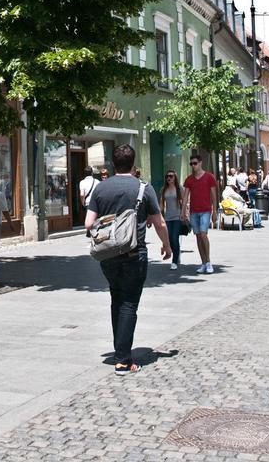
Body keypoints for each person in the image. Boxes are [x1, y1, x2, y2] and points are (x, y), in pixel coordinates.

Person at [85, 144, 170, 375]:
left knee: (116, 299)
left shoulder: (101, 189)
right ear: (133, 164)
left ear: (113, 164)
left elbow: (88, 223)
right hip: (135, 253)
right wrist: (167, 245)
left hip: (109, 254)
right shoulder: (144, 188)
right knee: (129, 304)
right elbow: (160, 222)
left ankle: (119, 350)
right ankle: (123, 360)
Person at [182, 155, 220, 274]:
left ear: (200, 163)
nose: (193, 166)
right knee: (198, 236)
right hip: (194, 211)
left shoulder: (209, 177)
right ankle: (203, 262)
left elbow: (214, 195)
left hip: (206, 210)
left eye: (195, 163)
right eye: (191, 164)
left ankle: (208, 262)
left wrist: (215, 211)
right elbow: (185, 196)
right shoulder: (189, 179)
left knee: (203, 234)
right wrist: (183, 211)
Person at [161, 171, 184, 270]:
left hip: (177, 217)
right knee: (169, 238)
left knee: (174, 238)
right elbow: (161, 205)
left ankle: (174, 261)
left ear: (175, 177)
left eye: (171, 176)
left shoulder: (180, 189)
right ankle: (177, 254)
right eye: (167, 176)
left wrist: (184, 214)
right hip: (168, 217)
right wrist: (158, 215)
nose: (169, 178)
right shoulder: (163, 189)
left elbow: (184, 202)